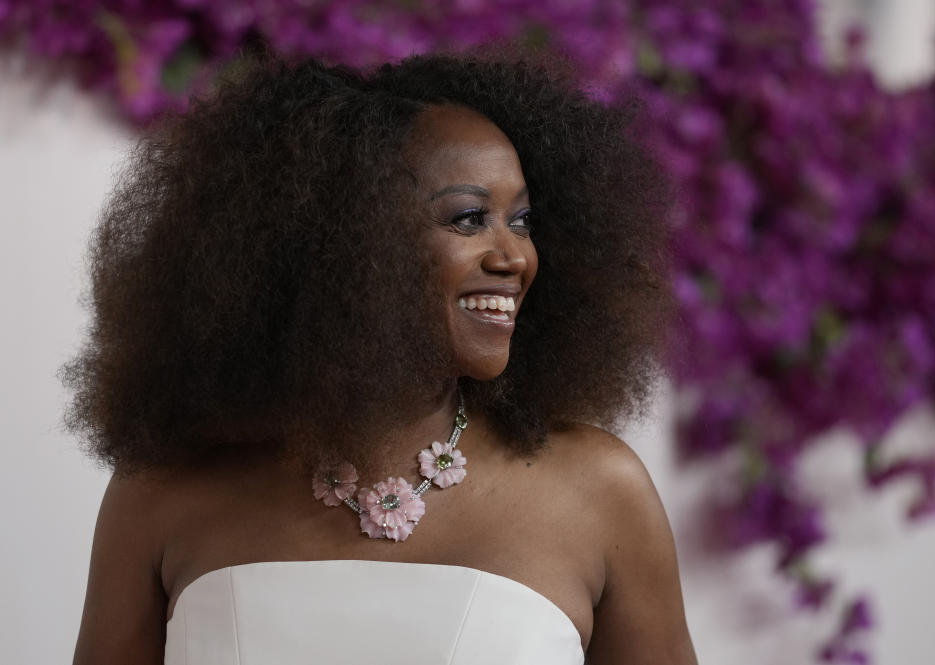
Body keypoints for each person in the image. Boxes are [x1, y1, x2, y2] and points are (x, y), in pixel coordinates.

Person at [64, 47, 697, 664]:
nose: (515, 258)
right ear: (346, 243)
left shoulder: (598, 493)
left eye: (523, 220)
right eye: (471, 219)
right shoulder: (165, 488)